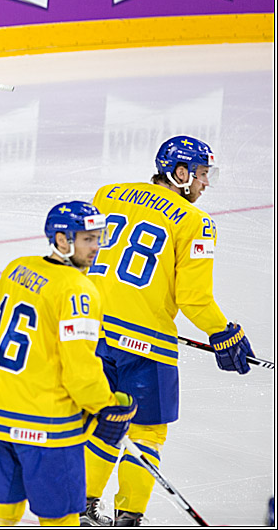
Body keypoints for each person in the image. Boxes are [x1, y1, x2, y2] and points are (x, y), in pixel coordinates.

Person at [81, 136, 255, 527]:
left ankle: (81, 507)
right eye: (202, 174)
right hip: (146, 345)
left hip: (92, 332)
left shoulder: (107, 195)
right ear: (180, 173)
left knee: (102, 420)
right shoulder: (196, 222)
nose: (205, 183)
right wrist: (223, 333)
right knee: (147, 432)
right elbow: (193, 299)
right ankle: (128, 517)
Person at [0, 201, 136, 526]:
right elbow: (80, 371)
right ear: (62, 240)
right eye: (88, 239)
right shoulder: (79, 290)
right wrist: (106, 406)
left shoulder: (17, 268)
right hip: (49, 430)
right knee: (61, 518)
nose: (96, 247)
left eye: (98, 238)